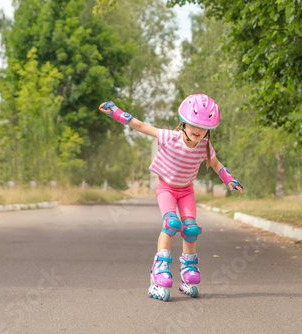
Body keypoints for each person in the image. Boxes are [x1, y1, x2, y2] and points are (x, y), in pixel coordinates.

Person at [99, 94, 243, 301]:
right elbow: (141, 127)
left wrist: (229, 179)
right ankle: (160, 269)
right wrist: (117, 113)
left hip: (186, 191)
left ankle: (188, 269)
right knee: (171, 223)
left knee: (191, 229)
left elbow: (216, 164)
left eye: (203, 127)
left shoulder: (205, 147)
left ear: (208, 130)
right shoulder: (170, 137)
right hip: (166, 188)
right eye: (193, 124)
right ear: (183, 122)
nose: (197, 130)